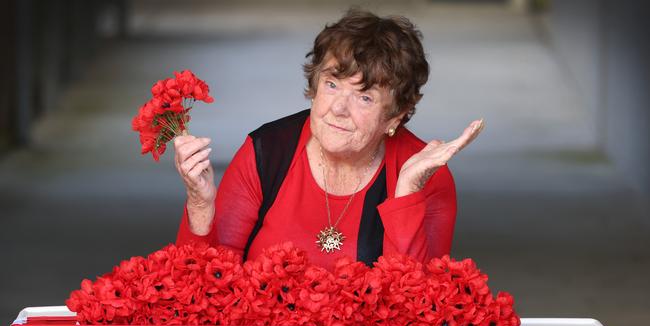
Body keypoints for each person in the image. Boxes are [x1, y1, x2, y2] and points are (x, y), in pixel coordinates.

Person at [173, 9, 483, 271]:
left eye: (364, 97)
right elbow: (206, 286)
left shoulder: (426, 174)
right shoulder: (266, 151)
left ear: (395, 116)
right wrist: (200, 206)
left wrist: (406, 196)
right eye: (332, 84)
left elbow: (416, 314)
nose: (338, 109)